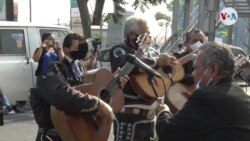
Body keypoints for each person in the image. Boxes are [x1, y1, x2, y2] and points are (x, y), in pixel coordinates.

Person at [31, 33, 129, 141]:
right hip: (55, 134)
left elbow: (88, 92)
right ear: (67, 50)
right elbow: (61, 94)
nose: (81, 51)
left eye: (83, 48)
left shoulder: (80, 67)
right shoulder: (54, 68)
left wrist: (113, 84)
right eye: (77, 48)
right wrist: (97, 104)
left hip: (78, 131)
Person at [156, 41, 250, 141]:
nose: (192, 74)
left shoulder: (207, 96)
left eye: (196, 68)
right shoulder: (240, 93)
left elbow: (167, 132)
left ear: (213, 69)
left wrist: (162, 110)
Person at [109, 15, 175, 141]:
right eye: (145, 34)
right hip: (128, 119)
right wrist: (157, 62)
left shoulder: (150, 53)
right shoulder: (119, 49)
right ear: (132, 35)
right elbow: (125, 64)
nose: (149, 38)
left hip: (149, 119)